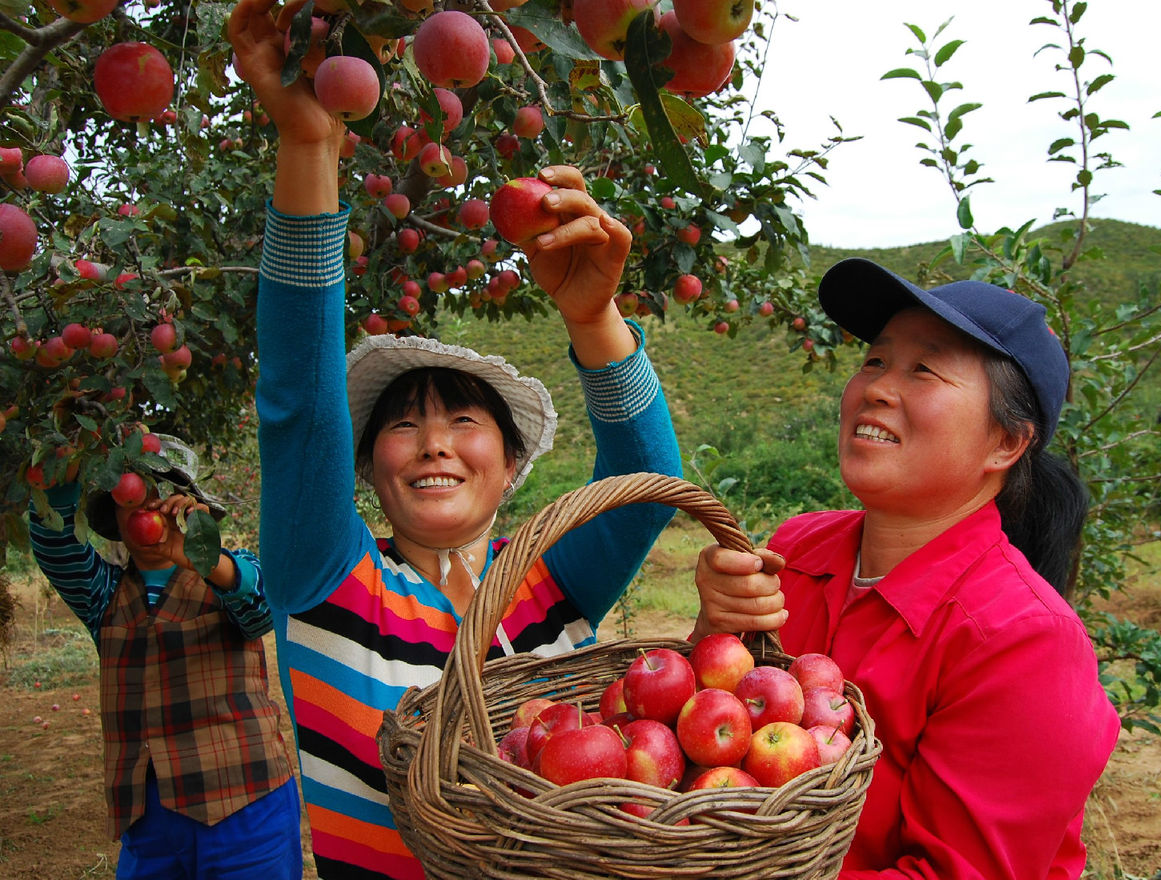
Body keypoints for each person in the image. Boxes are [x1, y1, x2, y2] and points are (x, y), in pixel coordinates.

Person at [227, 0, 682, 877]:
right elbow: (299, 404)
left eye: (465, 423)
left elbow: (649, 477)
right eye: (404, 425)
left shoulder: (553, 584)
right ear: (364, 468)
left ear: (512, 467)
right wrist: (310, 148)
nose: (435, 443)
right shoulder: (330, 581)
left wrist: (595, 317)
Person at [692, 258, 1120, 880]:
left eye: (923, 369)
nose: (877, 388)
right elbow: (698, 747)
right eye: (875, 361)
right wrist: (711, 630)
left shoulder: (1024, 641)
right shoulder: (796, 549)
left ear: (1007, 443)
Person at [27, 434, 302, 880]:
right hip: (147, 815)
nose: (148, 505)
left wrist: (202, 554)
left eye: (162, 494)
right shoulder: (106, 595)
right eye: (131, 495)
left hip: (245, 802)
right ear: (115, 516)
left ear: (189, 506)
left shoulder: (225, 574)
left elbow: (259, 610)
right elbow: (55, 546)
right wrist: (64, 456)